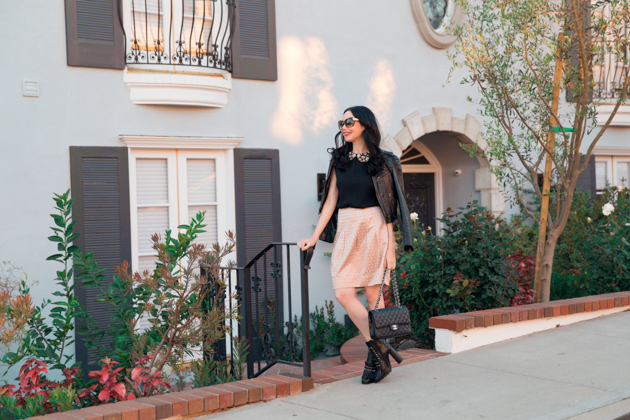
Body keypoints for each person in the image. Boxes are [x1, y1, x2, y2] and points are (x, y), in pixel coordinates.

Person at [298, 105, 414, 384]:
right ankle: (380, 347)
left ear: (365, 124)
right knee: (343, 291)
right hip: (347, 227)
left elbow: (391, 206)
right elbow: (330, 202)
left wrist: (391, 246)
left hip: (375, 226)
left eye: (349, 121)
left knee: (374, 296)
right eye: (342, 122)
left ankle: (376, 358)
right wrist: (314, 237)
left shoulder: (384, 161)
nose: (344, 126)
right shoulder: (341, 159)